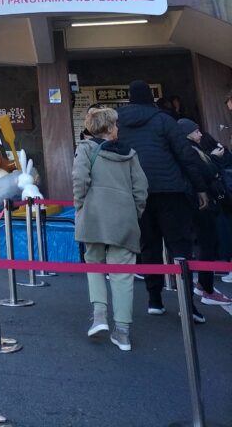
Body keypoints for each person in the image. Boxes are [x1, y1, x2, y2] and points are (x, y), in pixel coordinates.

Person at [116, 79, 209, 323]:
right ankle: (187, 304)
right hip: (170, 191)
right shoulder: (164, 120)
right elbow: (184, 154)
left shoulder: (119, 122)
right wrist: (200, 187)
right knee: (179, 246)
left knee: (149, 245)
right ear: (150, 97)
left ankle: (154, 300)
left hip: (137, 192)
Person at [73, 107, 148, 352]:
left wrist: (80, 207)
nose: (117, 128)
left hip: (93, 216)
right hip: (124, 220)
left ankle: (99, 317)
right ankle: (123, 332)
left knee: (94, 264)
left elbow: (79, 181)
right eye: (115, 125)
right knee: (123, 273)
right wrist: (134, 212)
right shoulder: (130, 153)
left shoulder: (85, 149)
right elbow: (141, 189)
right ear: (109, 128)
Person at [175, 118, 232, 305]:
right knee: (208, 243)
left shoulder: (186, 148)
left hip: (197, 202)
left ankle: (202, 285)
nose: (200, 134)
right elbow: (204, 173)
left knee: (208, 242)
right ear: (187, 133)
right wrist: (215, 158)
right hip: (201, 202)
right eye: (196, 131)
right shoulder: (189, 150)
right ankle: (207, 289)